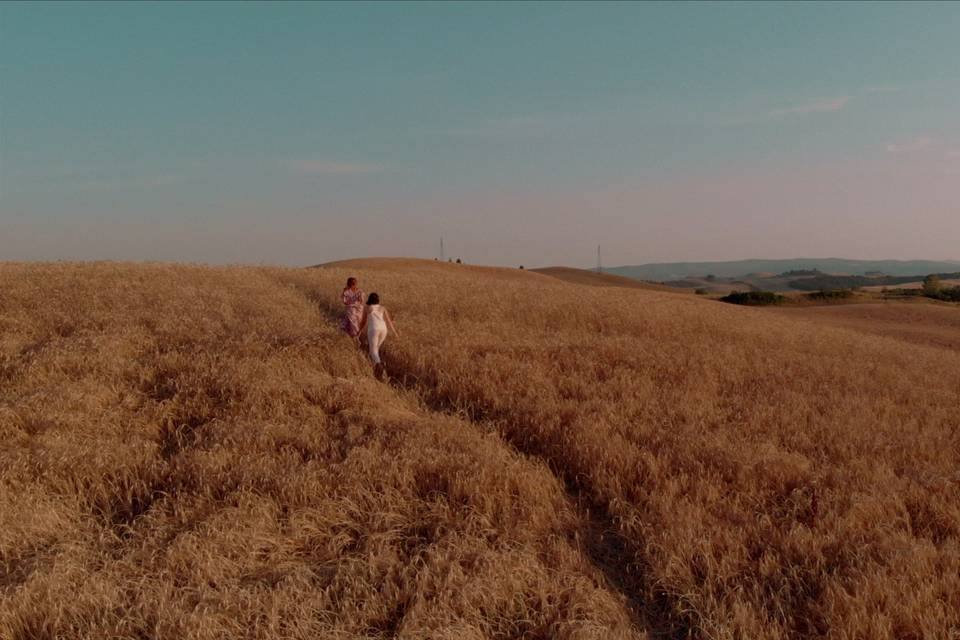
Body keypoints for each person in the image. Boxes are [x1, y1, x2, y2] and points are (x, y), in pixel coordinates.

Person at [358, 292, 399, 380]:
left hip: (373, 329)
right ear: (378, 300)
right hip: (383, 329)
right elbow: (389, 321)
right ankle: (376, 370)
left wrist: (359, 331)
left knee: (373, 351)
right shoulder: (382, 308)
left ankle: (379, 366)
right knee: (375, 350)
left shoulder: (367, 308)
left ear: (369, 299)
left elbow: (363, 322)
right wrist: (395, 333)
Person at [339, 277, 365, 342]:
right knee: (353, 323)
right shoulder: (346, 291)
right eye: (352, 283)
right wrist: (352, 304)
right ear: (349, 283)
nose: (353, 284)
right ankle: (356, 337)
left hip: (358, 309)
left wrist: (354, 303)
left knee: (357, 323)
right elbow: (345, 302)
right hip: (351, 309)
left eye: (354, 282)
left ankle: (357, 337)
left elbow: (361, 301)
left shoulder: (360, 291)